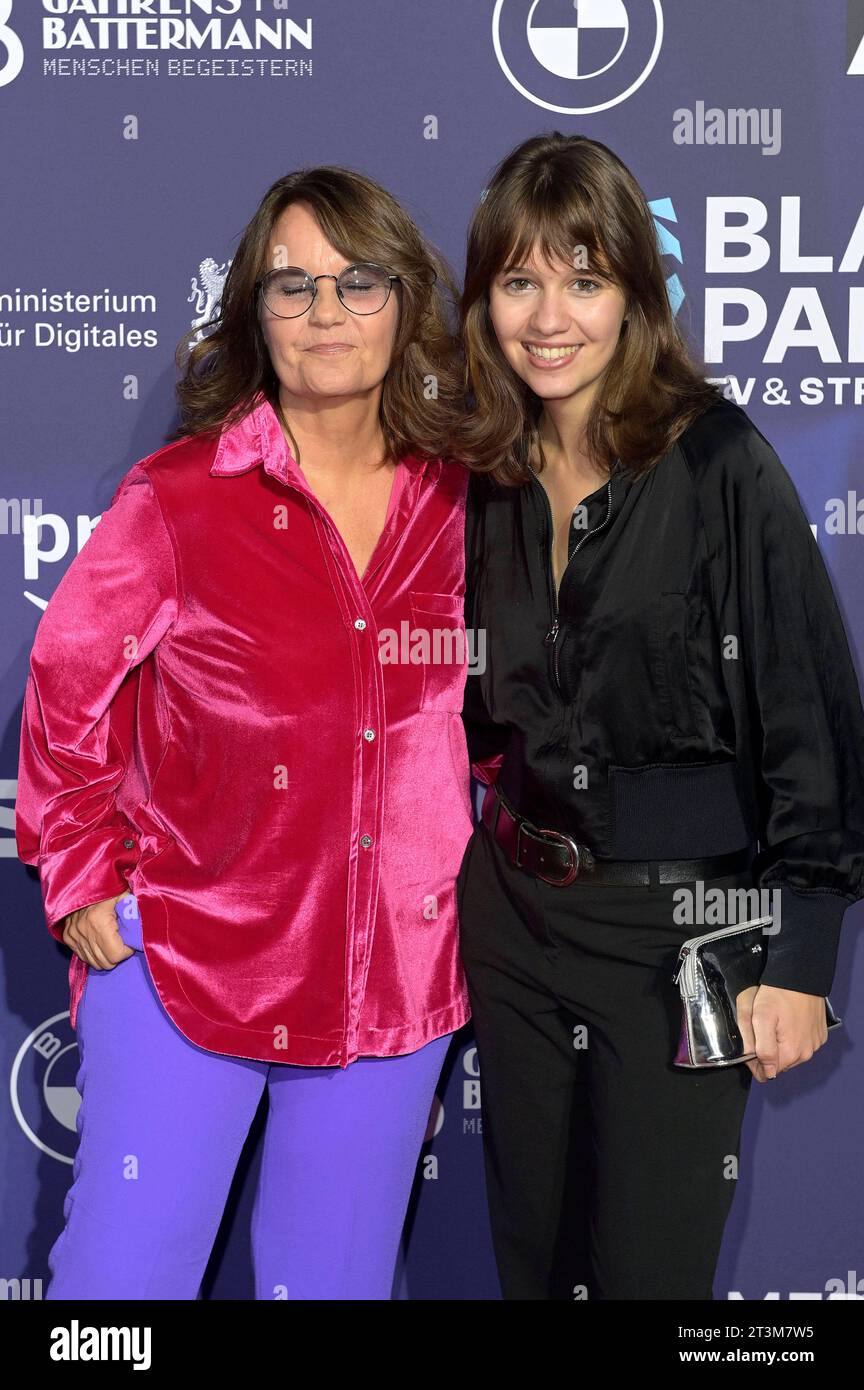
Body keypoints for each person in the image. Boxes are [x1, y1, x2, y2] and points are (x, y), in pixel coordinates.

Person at [15, 166, 475, 1300]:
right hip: (185, 962)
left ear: (407, 302)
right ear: (252, 316)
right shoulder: (180, 497)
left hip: (392, 984)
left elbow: (509, 713)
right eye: (293, 286)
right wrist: (79, 876)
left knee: (333, 1285)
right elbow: (66, 683)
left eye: (358, 281)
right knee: (119, 1285)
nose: (327, 313)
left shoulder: (467, 503)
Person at [453, 132, 864, 1300]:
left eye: (584, 280)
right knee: (532, 1264)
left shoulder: (719, 461)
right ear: (483, 297)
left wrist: (803, 951)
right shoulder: (481, 467)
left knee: (647, 1276)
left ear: (636, 294)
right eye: (519, 280)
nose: (548, 317)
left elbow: (810, 715)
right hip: (516, 916)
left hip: (681, 931)